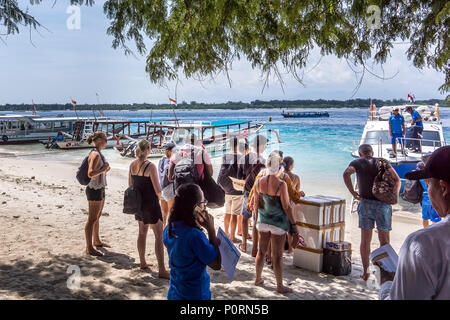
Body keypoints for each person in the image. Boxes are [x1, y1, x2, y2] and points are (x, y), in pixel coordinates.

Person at [378, 145, 450, 300]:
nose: (428, 192)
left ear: (443, 189)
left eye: (428, 184)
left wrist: (387, 284)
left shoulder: (424, 244)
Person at [343, 144, 401, 281]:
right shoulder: (382, 162)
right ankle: (385, 272)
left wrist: (353, 193)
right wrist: (395, 196)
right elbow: (397, 179)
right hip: (383, 206)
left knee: (365, 240)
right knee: (384, 240)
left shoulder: (357, 162)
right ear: (372, 152)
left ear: (360, 153)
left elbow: (346, 173)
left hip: (366, 204)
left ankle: (365, 272)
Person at [163, 183, 221, 300]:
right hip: (195, 294)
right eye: (203, 202)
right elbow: (216, 264)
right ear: (196, 208)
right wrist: (211, 230)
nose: (205, 206)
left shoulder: (168, 229)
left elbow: (186, 250)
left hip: (175, 292)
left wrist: (211, 241)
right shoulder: (195, 236)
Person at [253, 152, 298, 294]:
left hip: (262, 220)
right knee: (277, 256)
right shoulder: (281, 184)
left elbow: (255, 203)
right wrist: (294, 226)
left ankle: (258, 278)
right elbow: (286, 206)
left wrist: (255, 219)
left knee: (261, 251)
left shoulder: (259, 181)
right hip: (278, 224)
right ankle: (279, 286)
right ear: (279, 167)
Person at [247, 153, 305, 256]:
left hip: (260, 207)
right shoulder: (283, 177)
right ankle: (270, 258)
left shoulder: (261, 173)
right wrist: (300, 194)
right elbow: (293, 196)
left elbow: (253, 190)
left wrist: (249, 204)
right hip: (275, 210)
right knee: (272, 236)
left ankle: (254, 251)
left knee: (257, 227)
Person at [129, 139, 170, 278]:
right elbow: (158, 190)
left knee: (142, 233)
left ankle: (142, 263)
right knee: (159, 236)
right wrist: (162, 198)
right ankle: (162, 270)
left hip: (139, 205)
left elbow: (130, 186)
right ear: (148, 150)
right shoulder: (150, 166)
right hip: (151, 204)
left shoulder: (132, 164)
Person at [237, 135, 268, 254]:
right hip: (258, 194)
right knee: (256, 221)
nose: (265, 147)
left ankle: (244, 244)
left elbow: (239, 177)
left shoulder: (244, 158)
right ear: (261, 145)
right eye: (265, 145)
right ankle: (255, 248)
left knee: (245, 218)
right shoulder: (263, 161)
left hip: (246, 192)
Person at [85, 131, 110, 256]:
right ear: (99, 140)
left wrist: (105, 169)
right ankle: (89, 247)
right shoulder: (95, 154)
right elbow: (90, 173)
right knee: (92, 218)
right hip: (94, 189)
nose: (107, 141)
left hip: (99, 187)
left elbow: (98, 171)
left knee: (97, 216)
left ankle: (97, 240)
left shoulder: (99, 153)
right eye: (105, 138)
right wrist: (103, 169)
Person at [217, 137, 243, 243]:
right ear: (238, 145)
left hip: (226, 188)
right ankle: (232, 237)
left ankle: (226, 233)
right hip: (236, 189)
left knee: (227, 212)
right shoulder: (241, 157)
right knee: (235, 214)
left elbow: (222, 169)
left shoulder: (224, 156)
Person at [417, 155, 442, 228]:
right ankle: (435, 234)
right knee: (435, 220)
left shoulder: (421, 176)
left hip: (425, 200)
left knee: (425, 218)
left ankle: (426, 232)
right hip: (435, 199)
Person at [159, 142, 176, 226]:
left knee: (164, 214)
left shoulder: (161, 160)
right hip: (168, 188)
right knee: (171, 213)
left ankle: (163, 233)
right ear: (169, 151)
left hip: (161, 187)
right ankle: (169, 234)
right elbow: (168, 174)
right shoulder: (169, 161)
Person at [237, 140, 250, 239]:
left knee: (242, 209)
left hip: (238, 186)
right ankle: (240, 230)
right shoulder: (244, 159)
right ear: (246, 149)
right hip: (243, 186)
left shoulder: (239, 158)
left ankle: (242, 228)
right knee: (242, 210)